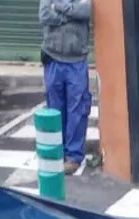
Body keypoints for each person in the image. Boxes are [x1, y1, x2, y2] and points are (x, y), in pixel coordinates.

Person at [38, 0, 92, 175]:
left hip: (76, 60)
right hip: (53, 58)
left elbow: (85, 11)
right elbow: (44, 14)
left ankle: (73, 157)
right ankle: (56, 151)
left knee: (77, 109)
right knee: (55, 108)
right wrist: (69, 16)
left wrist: (59, 8)